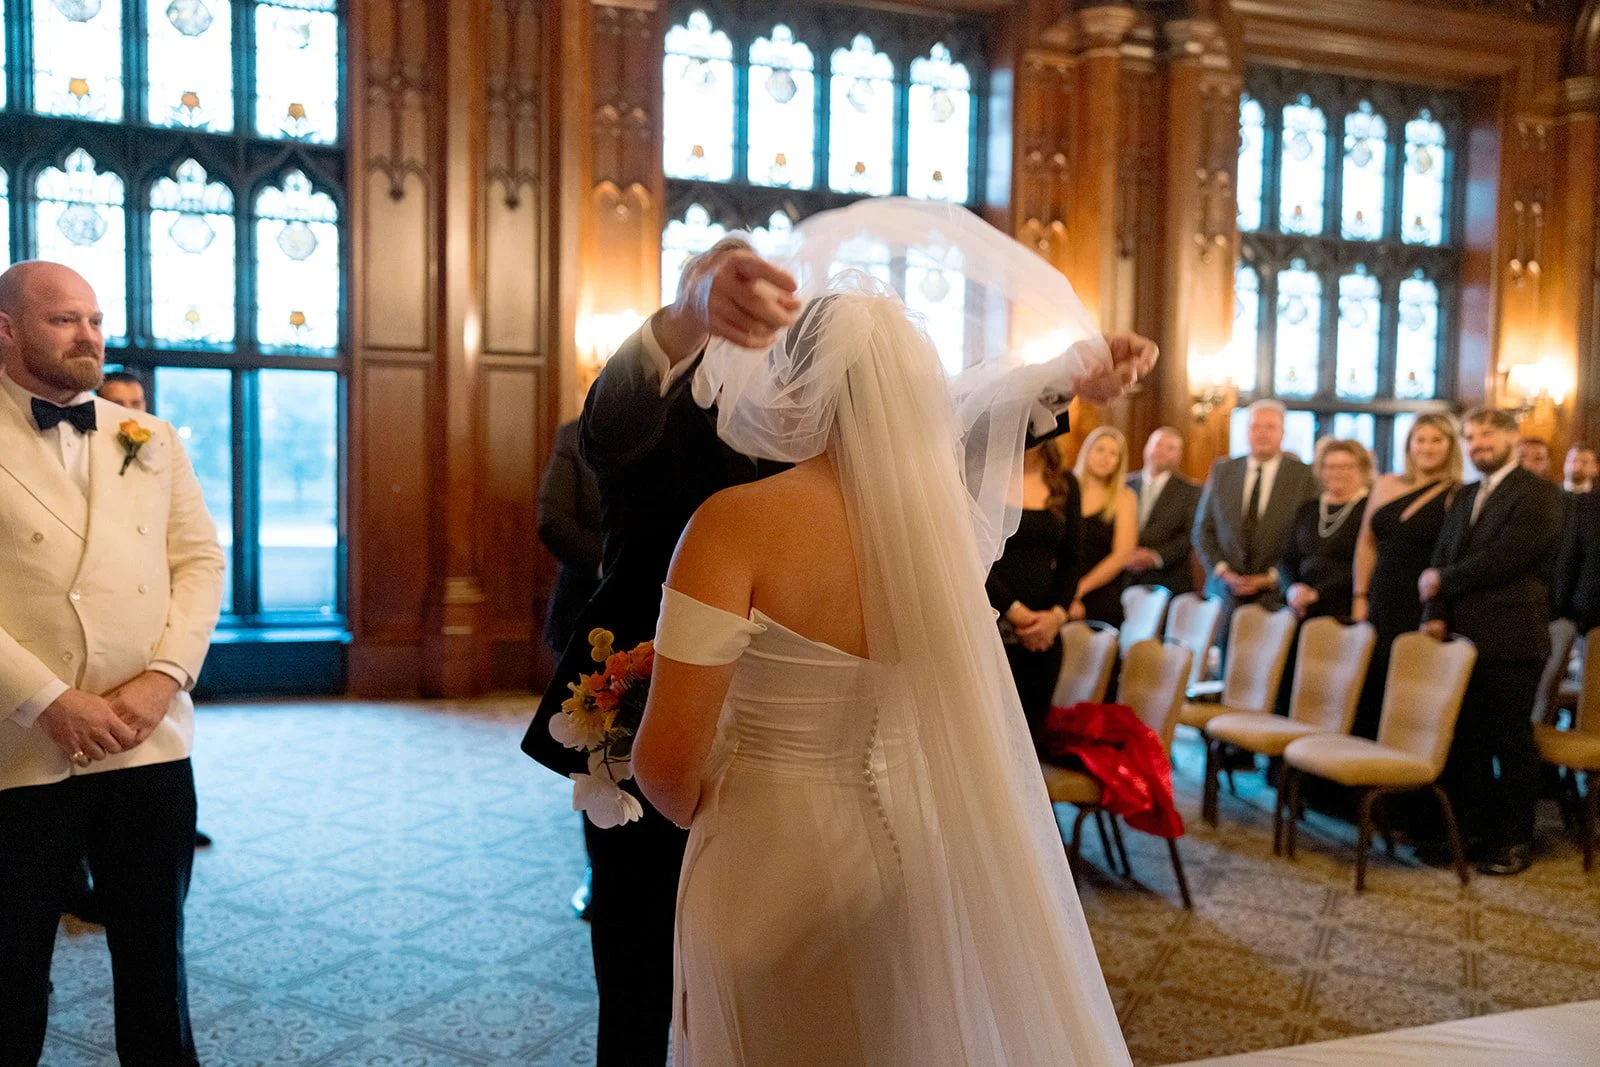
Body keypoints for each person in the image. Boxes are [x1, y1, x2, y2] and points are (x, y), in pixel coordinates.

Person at [520, 202, 1158, 1065]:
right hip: (642, 725)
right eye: (729, 295)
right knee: (638, 976)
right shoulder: (657, 406)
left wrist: (1067, 374)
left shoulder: (836, 424)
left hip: (791, 782)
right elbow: (611, 422)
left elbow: (946, 411)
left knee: (824, 995)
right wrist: (687, 312)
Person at [0, 261, 225, 1066]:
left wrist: (164, 678)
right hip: (21, 748)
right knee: (11, 969)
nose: (88, 335)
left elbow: (200, 562)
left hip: (144, 741)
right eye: (64, 320)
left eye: (94, 319)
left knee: (156, 959)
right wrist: (49, 700)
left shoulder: (151, 437)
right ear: (7, 329)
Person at [1420, 408, 1564, 876]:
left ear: (1511, 438)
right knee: (1468, 740)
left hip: (1512, 636)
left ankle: (1516, 840)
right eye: (1470, 437)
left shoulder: (1540, 494)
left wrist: (1443, 581)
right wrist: (1434, 613)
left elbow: (1507, 558)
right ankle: (1473, 833)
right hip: (1461, 637)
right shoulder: (1466, 494)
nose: (1477, 444)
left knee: (1511, 740)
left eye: (1486, 435)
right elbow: (1442, 554)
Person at [1350, 413, 1461, 739]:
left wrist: (1437, 609)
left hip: (1420, 601)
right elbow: (1366, 544)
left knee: (1412, 686)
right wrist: (1360, 596)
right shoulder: (1386, 483)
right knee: (1371, 682)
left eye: (1436, 440)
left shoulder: (1458, 493)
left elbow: (1451, 556)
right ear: (1409, 445)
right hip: (1380, 596)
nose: (1427, 447)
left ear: (1451, 445)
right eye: (1420, 439)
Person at [536, 417, 603, 920]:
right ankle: (598, 868)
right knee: (593, 752)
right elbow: (552, 520)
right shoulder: (574, 435)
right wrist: (616, 567)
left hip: (669, 610)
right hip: (585, 612)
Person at [1193, 399, 1318, 649]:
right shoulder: (1223, 470)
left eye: (1270, 427)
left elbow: (1308, 536)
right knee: (1225, 665)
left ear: (1282, 432)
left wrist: (1272, 577)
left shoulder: (1303, 476)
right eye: (1256, 426)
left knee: (1268, 666)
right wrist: (1223, 571)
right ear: (1247, 431)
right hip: (1225, 592)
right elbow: (1203, 529)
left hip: (1276, 594)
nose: (1262, 433)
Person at [986, 440, 1082, 736]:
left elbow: (1072, 560)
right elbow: (975, 553)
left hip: (1044, 635)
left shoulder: (1065, 483)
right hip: (991, 626)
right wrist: (1015, 612)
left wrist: (1056, 616)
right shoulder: (985, 474)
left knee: (1031, 735)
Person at [1072, 426, 1137, 626]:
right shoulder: (1065, 488)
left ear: (1119, 462)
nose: (1105, 458)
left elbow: (1121, 556)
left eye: (1113, 454)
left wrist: (1078, 590)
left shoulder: (1124, 497)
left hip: (1100, 593)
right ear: (1087, 451)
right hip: (1058, 587)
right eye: (1100, 449)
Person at [1125, 426, 1201, 596]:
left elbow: (1191, 534)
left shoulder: (1192, 491)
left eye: (1171, 448)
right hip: (1123, 578)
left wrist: (1155, 557)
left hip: (1169, 579)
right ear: (1147, 447)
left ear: (1179, 455)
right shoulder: (1123, 485)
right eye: (1158, 444)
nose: (1162, 451)